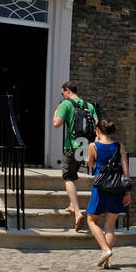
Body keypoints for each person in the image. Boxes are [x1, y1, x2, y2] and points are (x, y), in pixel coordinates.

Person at [85, 117, 131, 268]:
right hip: (117, 187)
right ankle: (107, 260)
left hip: (100, 188)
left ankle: (105, 249)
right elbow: (126, 171)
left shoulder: (94, 145)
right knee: (110, 225)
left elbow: (90, 164)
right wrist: (127, 192)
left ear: (98, 130)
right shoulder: (119, 146)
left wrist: (94, 143)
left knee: (91, 220)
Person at [52, 82, 97, 231]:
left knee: (68, 177)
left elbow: (56, 124)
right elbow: (96, 124)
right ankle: (72, 204)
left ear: (67, 90)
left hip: (72, 146)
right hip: (84, 145)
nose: (62, 96)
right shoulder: (88, 105)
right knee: (74, 172)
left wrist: (57, 110)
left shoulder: (66, 104)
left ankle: (77, 212)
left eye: (62, 93)